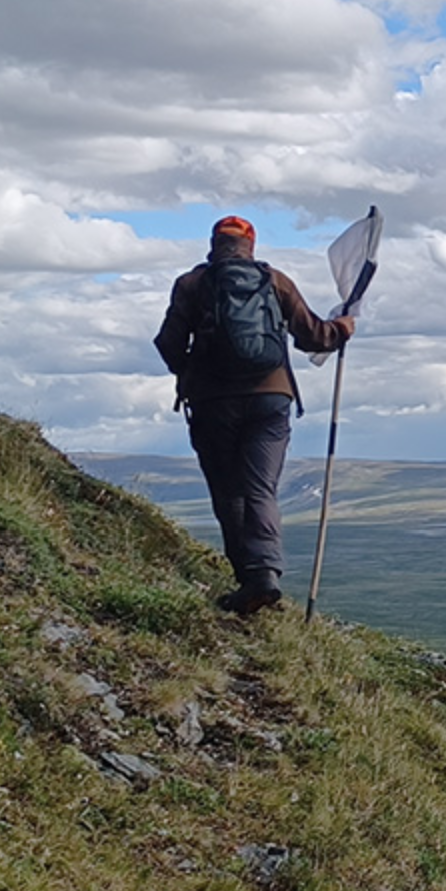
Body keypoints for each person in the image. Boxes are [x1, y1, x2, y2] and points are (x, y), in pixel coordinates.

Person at [154, 215, 353, 614]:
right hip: (271, 398)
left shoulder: (191, 284)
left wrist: (195, 372)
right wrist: (343, 327)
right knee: (260, 487)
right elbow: (314, 336)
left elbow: (169, 344)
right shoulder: (274, 280)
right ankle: (264, 574)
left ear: (213, 244)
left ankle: (249, 579)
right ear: (251, 245)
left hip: (213, 403)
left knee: (229, 491)